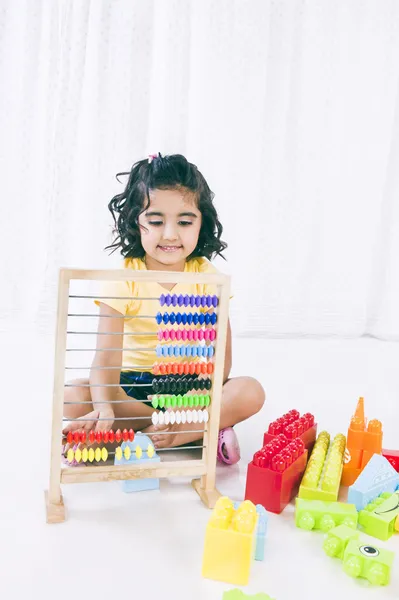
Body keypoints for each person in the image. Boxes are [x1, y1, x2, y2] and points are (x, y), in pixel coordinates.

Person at [63, 153, 265, 464]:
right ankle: (198, 431)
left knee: (250, 390)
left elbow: (221, 360)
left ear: (202, 223)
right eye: (156, 221)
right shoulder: (123, 280)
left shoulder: (208, 279)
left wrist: (195, 401)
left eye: (184, 221)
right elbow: (104, 359)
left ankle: (158, 435)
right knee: (72, 396)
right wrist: (104, 406)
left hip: (186, 389)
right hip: (130, 391)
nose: (170, 233)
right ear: (137, 223)